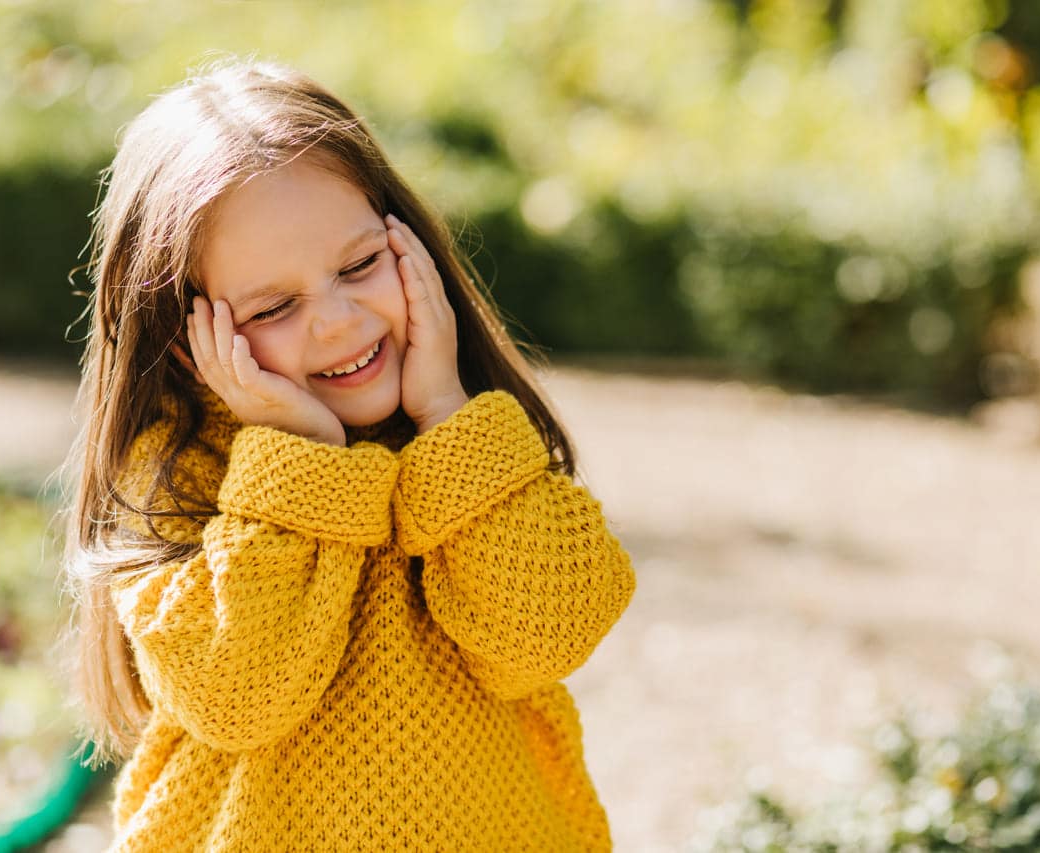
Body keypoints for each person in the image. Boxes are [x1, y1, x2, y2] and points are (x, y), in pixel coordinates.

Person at [59, 56, 636, 852]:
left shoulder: (470, 437)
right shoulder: (177, 475)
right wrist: (303, 460)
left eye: (360, 265)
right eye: (274, 306)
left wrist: (445, 412)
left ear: (409, 241)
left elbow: (552, 631)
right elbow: (237, 697)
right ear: (188, 342)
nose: (336, 321)